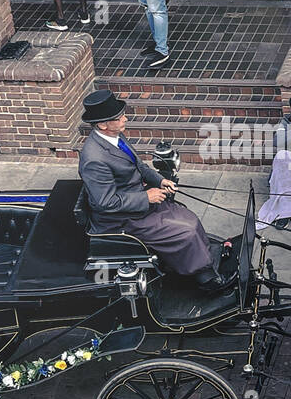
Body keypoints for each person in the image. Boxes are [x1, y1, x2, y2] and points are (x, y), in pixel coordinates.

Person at [77, 89, 232, 293]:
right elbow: (105, 203)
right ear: (103, 124)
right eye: (119, 117)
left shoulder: (115, 137)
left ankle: (204, 260)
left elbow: (139, 166)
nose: (125, 118)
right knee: (184, 231)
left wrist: (160, 180)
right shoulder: (94, 159)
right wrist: (146, 196)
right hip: (121, 220)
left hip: (136, 204)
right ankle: (204, 278)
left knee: (189, 218)